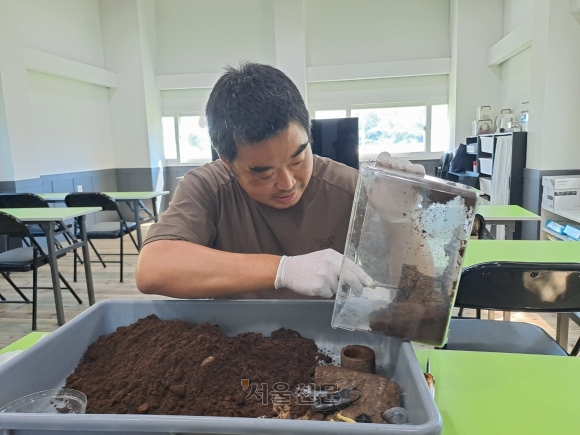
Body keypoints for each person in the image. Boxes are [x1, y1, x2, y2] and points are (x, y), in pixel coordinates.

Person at [136, 62, 423, 300]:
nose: (287, 183)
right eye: (263, 172)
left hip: (331, 340)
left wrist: (402, 220)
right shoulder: (209, 187)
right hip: (238, 343)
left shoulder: (350, 187)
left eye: (298, 159)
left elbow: (417, 298)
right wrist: (283, 270)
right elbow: (153, 269)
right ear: (227, 161)